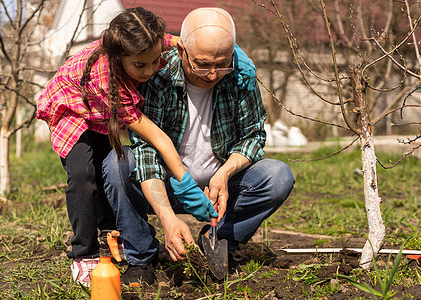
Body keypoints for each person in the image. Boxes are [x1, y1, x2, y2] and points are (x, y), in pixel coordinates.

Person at [102, 7, 295, 286]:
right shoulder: (158, 74)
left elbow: (253, 136)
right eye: (202, 64)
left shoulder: (240, 74)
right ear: (182, 52)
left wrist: (225, 173)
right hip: (167, 184)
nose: (212, 74)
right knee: (118, 164)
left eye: (222, 63)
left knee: (278, 176)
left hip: (219, 190)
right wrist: (168, 219)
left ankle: (220, 240)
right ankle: (142, 256)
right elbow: (146, 152)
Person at [36, 7, 216, 287]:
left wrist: (210, 51)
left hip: (99, 110)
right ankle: (84, 253)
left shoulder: (147, 41)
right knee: (84, 176)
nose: (150, 71)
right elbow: (158, 137)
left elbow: (177, 41)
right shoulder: (108, 81)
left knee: (108, 169)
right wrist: (188, 184)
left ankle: (111, 236)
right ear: (119, 57)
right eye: (140, 65)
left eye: (155, 61)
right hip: (72, 106)